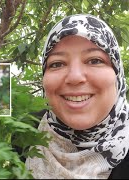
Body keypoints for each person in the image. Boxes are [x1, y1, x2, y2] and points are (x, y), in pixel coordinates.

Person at [25, 14, 129, 179]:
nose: (75, 77)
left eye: (94, 60)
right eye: (57, 63)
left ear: (117, 75)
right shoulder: (24, 131)